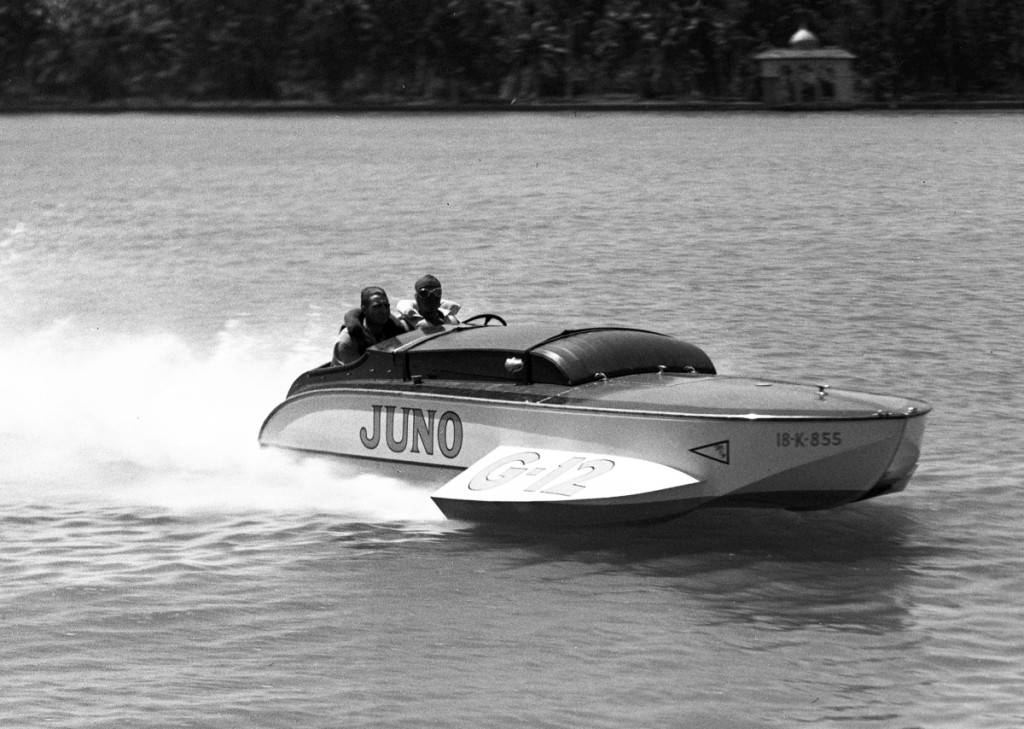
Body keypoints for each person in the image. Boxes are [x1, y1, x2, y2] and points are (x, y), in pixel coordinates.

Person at [332, 286, 407, 365]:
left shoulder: (392, 330)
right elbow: (357, 373)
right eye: (377, 307)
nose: (384, 311)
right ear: (364, 310)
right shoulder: (347, 341)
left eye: (386, 306)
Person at [396, 274, 461, 329]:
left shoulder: (451, 320)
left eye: (437, 292)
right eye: (424, 293)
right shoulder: (407, 324)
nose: (432, 298)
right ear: (416, 297)